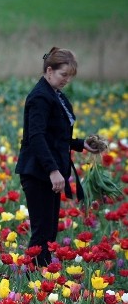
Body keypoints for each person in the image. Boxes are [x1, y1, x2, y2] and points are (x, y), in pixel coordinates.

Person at [15, 47, 104, 267]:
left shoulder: (55, 95)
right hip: (38, 173)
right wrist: (53, 170)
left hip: (47, 171)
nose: (66, 80)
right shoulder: (40, 97)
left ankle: (41, 275)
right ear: (49, 70)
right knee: (42, 231)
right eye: (63, 75)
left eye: (69, 77)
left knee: (49, 231)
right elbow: (36, 137)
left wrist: (81, 144)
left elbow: (56, 136)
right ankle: (33, 280)